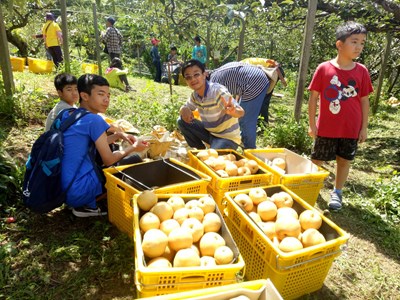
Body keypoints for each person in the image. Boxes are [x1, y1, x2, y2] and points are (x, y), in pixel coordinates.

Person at [60, 74, 148, 217]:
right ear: (84, 96)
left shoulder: (70, 114)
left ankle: (83, 201)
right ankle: (88, 206)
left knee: (111, 155)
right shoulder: (94, 120)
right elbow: (108, 159)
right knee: (134, 161)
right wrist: (134, 147)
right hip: (78, 191)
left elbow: (87, 145)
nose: (106, 99)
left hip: (63, 189)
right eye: (101, 94)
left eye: (108, 95)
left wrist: (119, 135)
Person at [308, 21, 373, 211]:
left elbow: (364, 100)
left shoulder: (362, 71)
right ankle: (311, 185)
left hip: (350, 127)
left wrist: (364, 127)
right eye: (354, 42)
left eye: (362, 43)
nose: (359, 47)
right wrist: (312, 124)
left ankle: (337, 191)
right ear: (339, 44)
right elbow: (313, 98)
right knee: (318, 158)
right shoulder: (324, 69)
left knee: (344, 160)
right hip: (327, 126)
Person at [178, 59, 244, 150]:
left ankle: (209, 153)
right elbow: (187, 107)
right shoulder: (195, 95)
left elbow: (241, 112)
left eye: (196, 74)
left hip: (227, 138)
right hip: (211, 134)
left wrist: (233, 111)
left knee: (211, 161)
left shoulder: (217, 91)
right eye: (188, 77)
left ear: (204, 74)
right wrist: (183, 109)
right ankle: (199, 150)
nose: (192, 79)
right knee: (181, 121)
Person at [209, 61, 270, 149]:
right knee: (241, 116)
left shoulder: (212, 83)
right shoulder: (217, 74)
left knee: (246, 120)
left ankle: (250, 150)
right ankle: (244, 143)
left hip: (255, 82)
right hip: (255, 78)